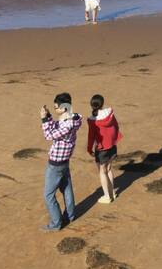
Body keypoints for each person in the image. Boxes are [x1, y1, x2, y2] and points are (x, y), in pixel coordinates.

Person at [41, 93, 83, 231]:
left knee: (48, 195)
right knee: (66, 189)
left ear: (64, 107)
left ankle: (56, 223)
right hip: (64, 162)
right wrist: (48, 117)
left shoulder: (67, 126)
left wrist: (43, 119)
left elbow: (49, 135)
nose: (55, 110)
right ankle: (70, 216)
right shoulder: (73, 119)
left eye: (56, 108)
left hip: (56, 164)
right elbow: (57, 126)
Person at [87, 94, 123, 205]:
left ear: (92, 105)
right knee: (109, 169)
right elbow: (116, 126)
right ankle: (112, 193)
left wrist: (89, 149)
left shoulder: (92, 120)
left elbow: (91, 136)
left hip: (101, 149)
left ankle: (107, 196)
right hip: (112, 146)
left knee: (102, 172)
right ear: (102, 103)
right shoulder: (110, 113)